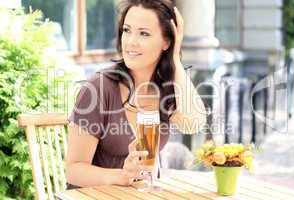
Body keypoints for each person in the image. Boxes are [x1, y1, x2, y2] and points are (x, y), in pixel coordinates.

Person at [66, 0, 206, 188]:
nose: (131, 42)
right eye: (127, 30)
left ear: (166, 42)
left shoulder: (166, 89)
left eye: (144, 33)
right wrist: (123, 176)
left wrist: (175, 58)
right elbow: (73, 171)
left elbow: (194, 123)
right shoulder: (98, 89)